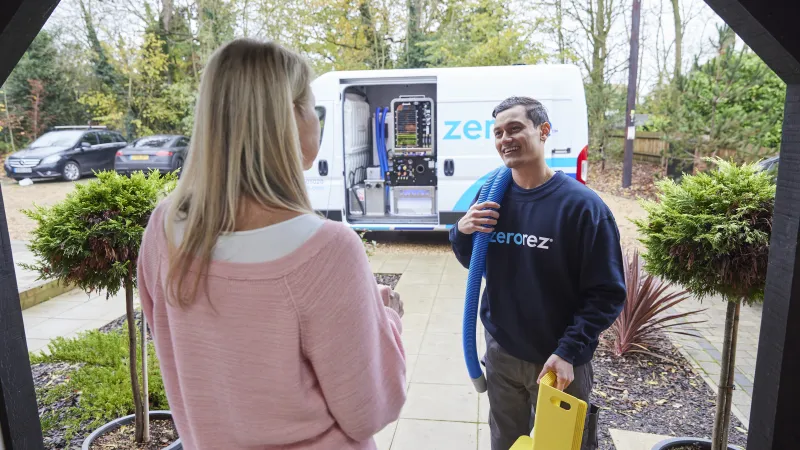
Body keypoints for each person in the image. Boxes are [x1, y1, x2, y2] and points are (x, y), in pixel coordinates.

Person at [137, 39, 407, 450]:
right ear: (292, 118)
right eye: (313, 110)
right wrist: (387, 320)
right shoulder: (329, 250)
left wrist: (360, 306)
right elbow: (370, 409)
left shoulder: (164, 228)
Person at [449, 96, 626, 450]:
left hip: (558, 360)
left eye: (515, 128)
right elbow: (474, 262)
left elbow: (607, 292)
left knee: (561, 445)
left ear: (543, 131)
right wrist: (462, 231)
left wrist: (570, 351)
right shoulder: (490, 196)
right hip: (502, 353)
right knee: (506, 442)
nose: (505, 139)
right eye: (498, 132)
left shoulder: (582, 207)